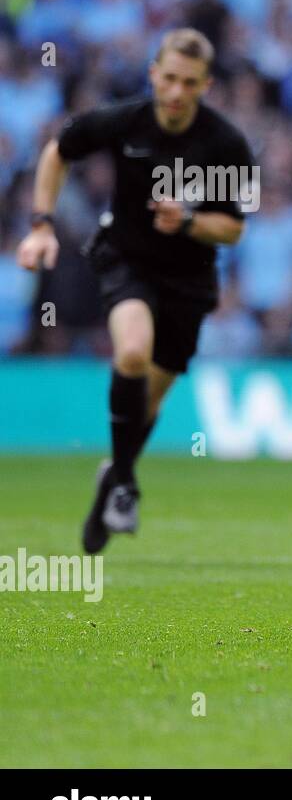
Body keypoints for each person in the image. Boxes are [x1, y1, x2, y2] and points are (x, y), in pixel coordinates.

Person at [16, 28, 253, 553]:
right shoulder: (125, 122)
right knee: (131, 354)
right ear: (153, 73)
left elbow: (235, 227)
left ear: (205, 85)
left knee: (150, 397)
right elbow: (58, 150)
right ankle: (126, 485)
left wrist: (190, 220)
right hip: (126, 261)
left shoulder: (226, 144)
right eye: (168, 78)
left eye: (188, 83)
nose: (175, 91)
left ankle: (114, 475)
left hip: (189, 281)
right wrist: (40, 222)